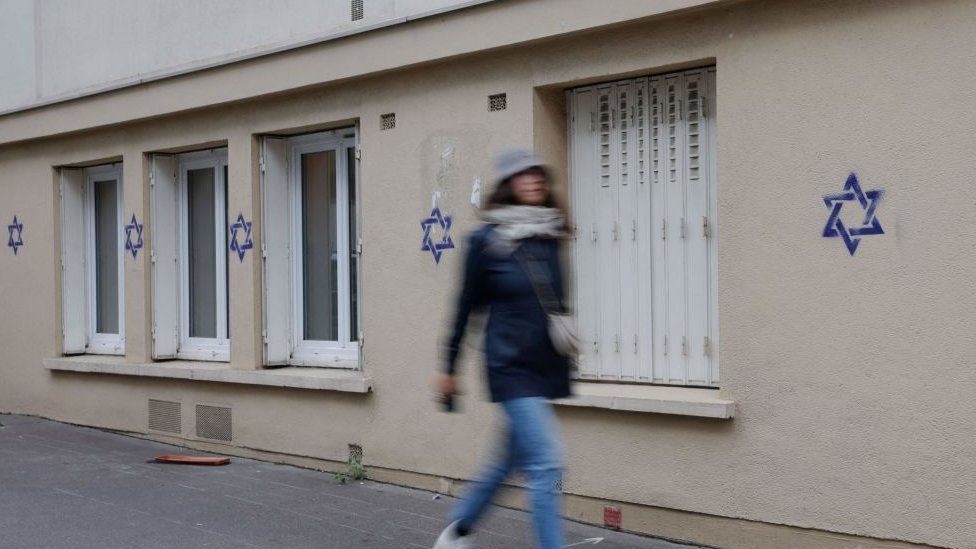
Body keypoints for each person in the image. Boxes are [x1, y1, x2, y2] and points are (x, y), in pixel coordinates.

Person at [433, 149, 572, 549]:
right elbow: (464, 308)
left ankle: (457, 530)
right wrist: (448, 366)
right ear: (509, 184)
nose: (534, 181)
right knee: (546, 464)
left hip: (542, 367)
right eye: (524, 175)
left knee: (508, 462)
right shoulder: (485, 241)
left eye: (538, 175)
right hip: (508, 368)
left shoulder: (549, 235)